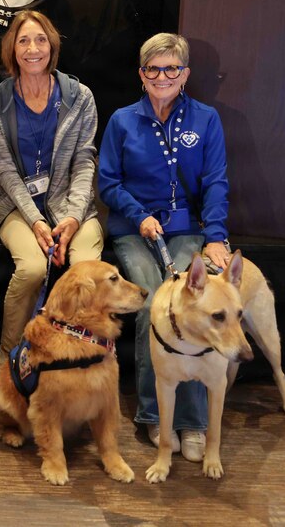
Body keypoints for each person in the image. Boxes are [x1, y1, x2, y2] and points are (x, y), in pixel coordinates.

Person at [98, 32, 231, 464]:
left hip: (186, 230)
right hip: (134, 230)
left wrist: (215, 236)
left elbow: (215, 182)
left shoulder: (206, 119)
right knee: (152, 302)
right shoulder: (122, 121)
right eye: (153, 69)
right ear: (141, 75)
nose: (162, 76)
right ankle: (154, 414)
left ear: (185, 74)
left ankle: (192, 421)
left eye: (171, 68)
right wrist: (139, 215)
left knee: (190, 304)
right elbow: (108, 183)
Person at [0, 11, 103, 363]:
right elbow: (5, 170)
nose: (32, 48)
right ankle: (9, 358)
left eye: (40, 40)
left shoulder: (80, 97)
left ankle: (80, 359)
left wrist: (73, 218)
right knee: (33, 269)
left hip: (73, 206)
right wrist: (36, 221)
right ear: (12, 49)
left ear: (51, 46)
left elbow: (84, 161)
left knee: (87, 272)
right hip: (17, 208)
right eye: (23, 41)